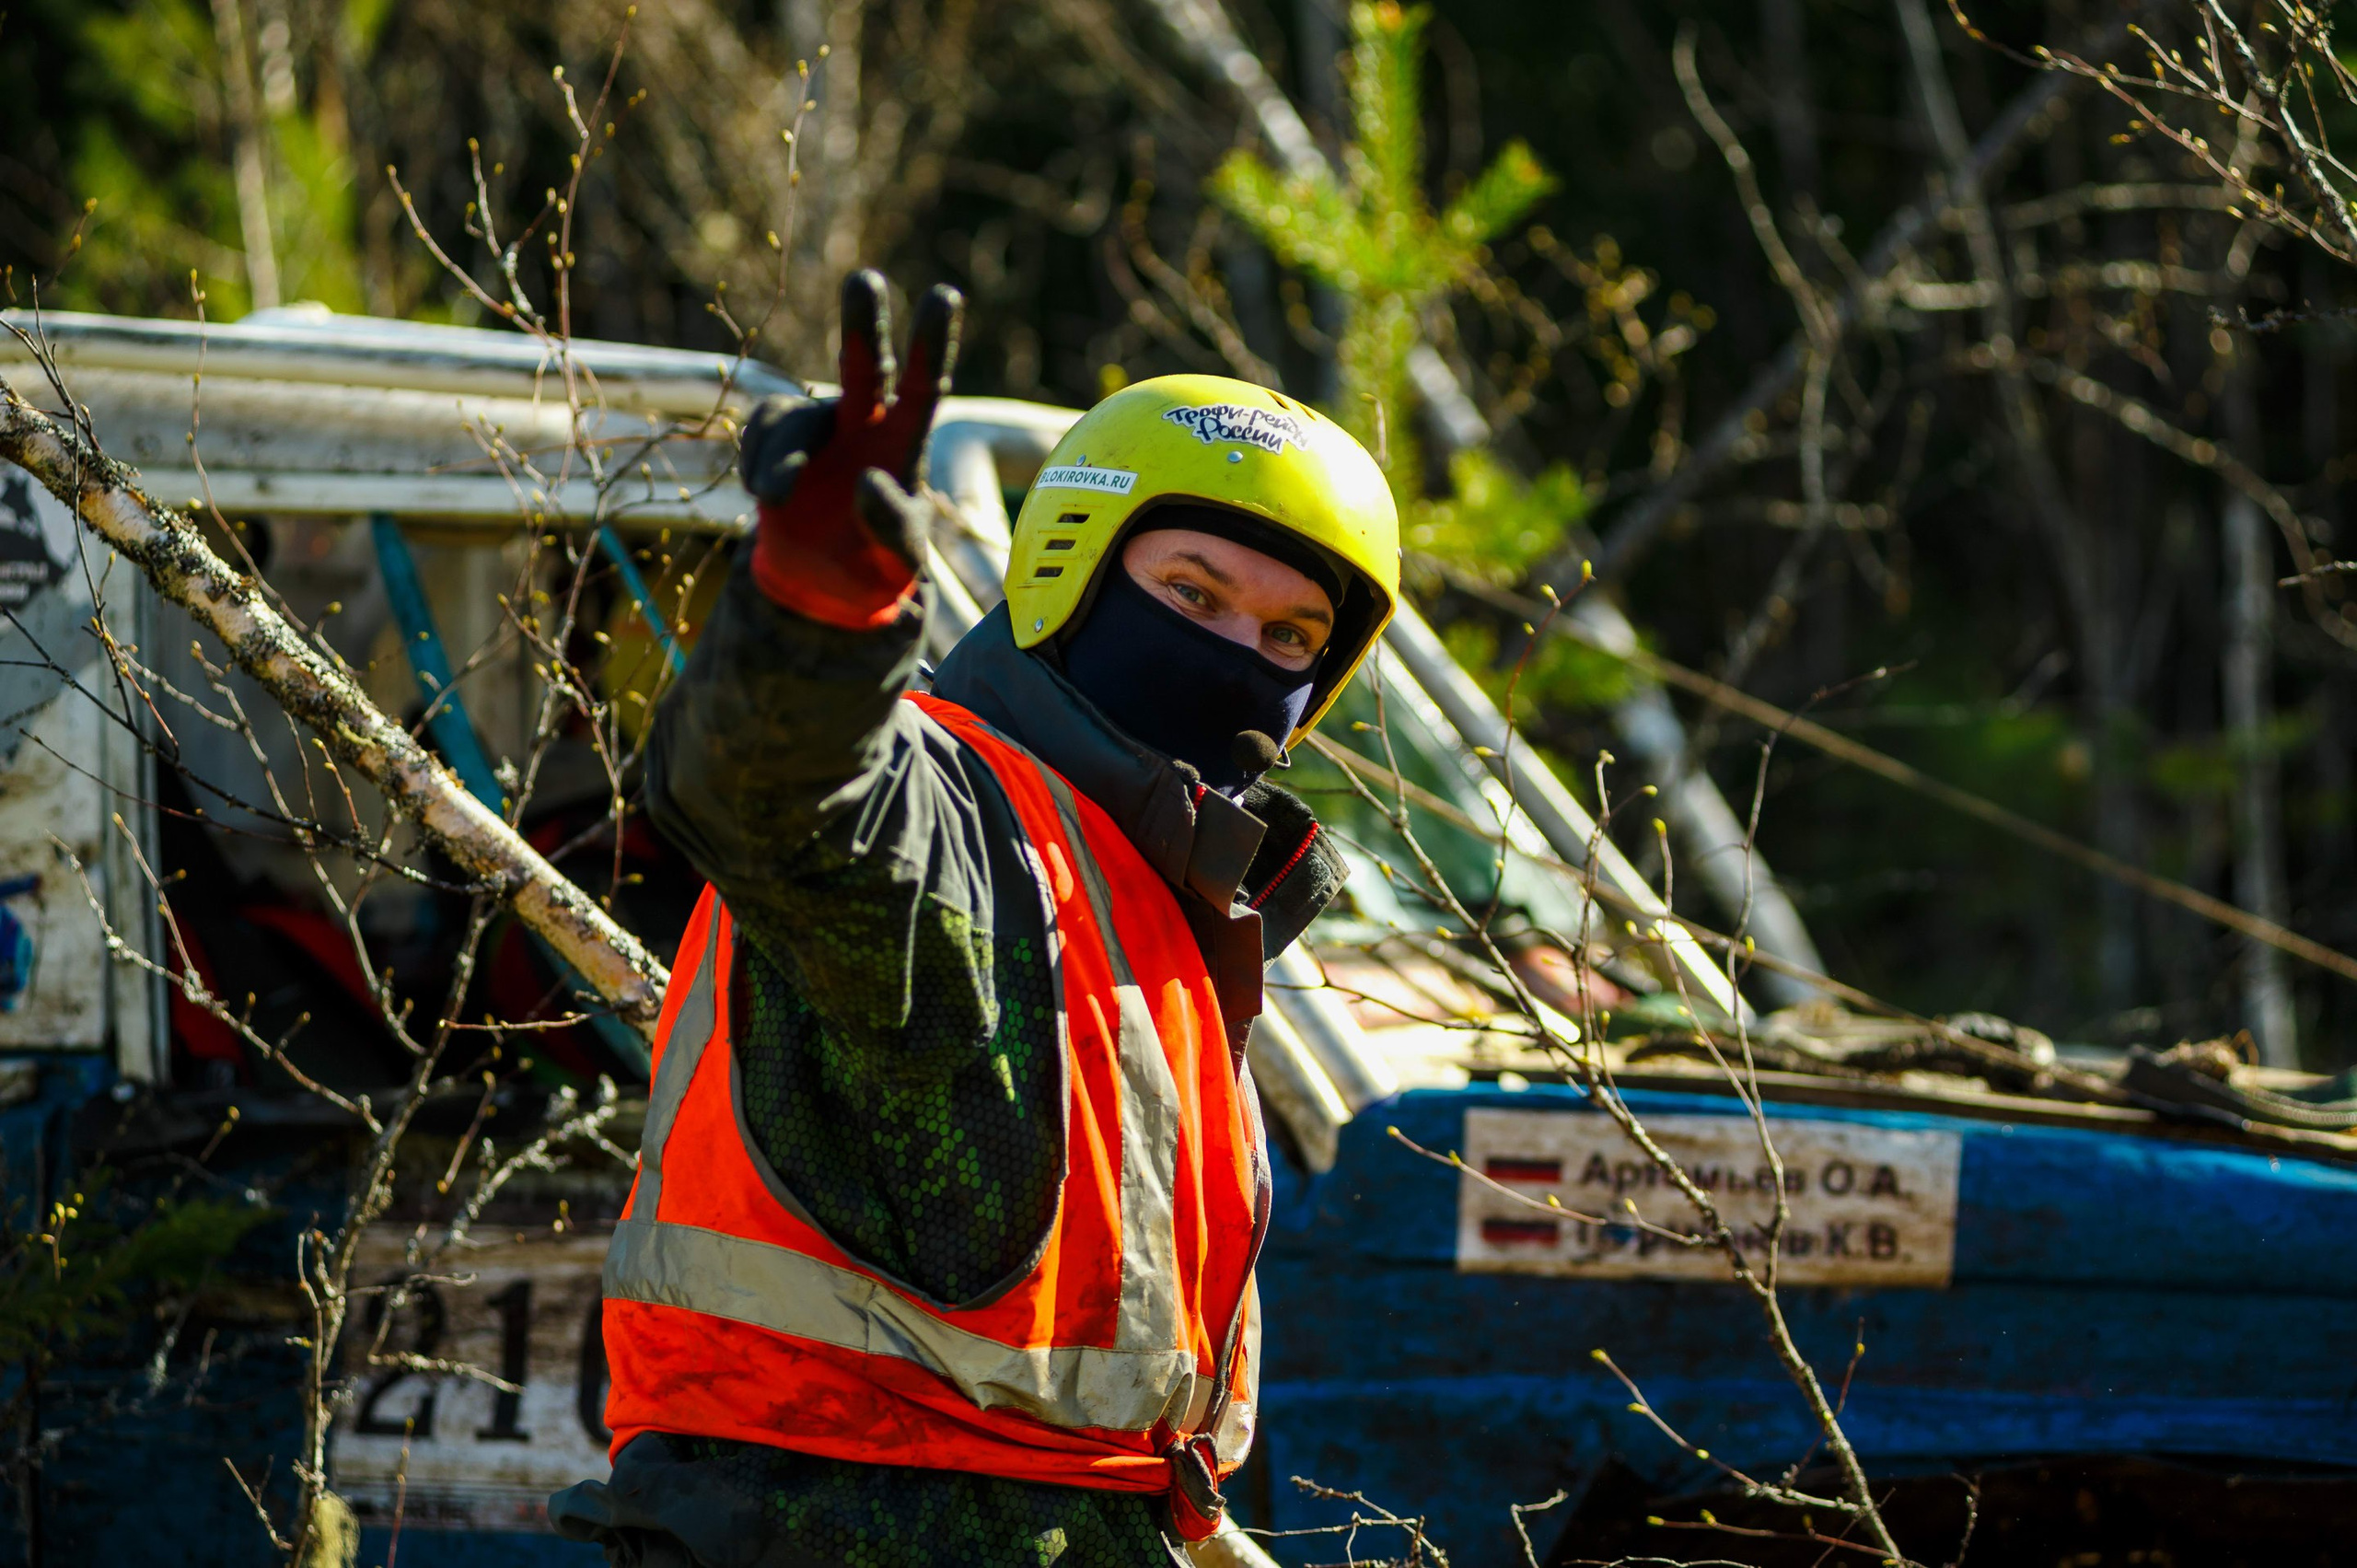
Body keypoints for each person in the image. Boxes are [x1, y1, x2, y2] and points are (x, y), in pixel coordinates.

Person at [551, 271, 1399, 1567]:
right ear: (1070, 567)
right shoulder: (953, 800)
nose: (1244, 655)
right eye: (1191, 594)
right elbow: (772, 793)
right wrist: (817, 617)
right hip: (822, 1532)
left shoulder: (1174, 904)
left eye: (1293, 635)